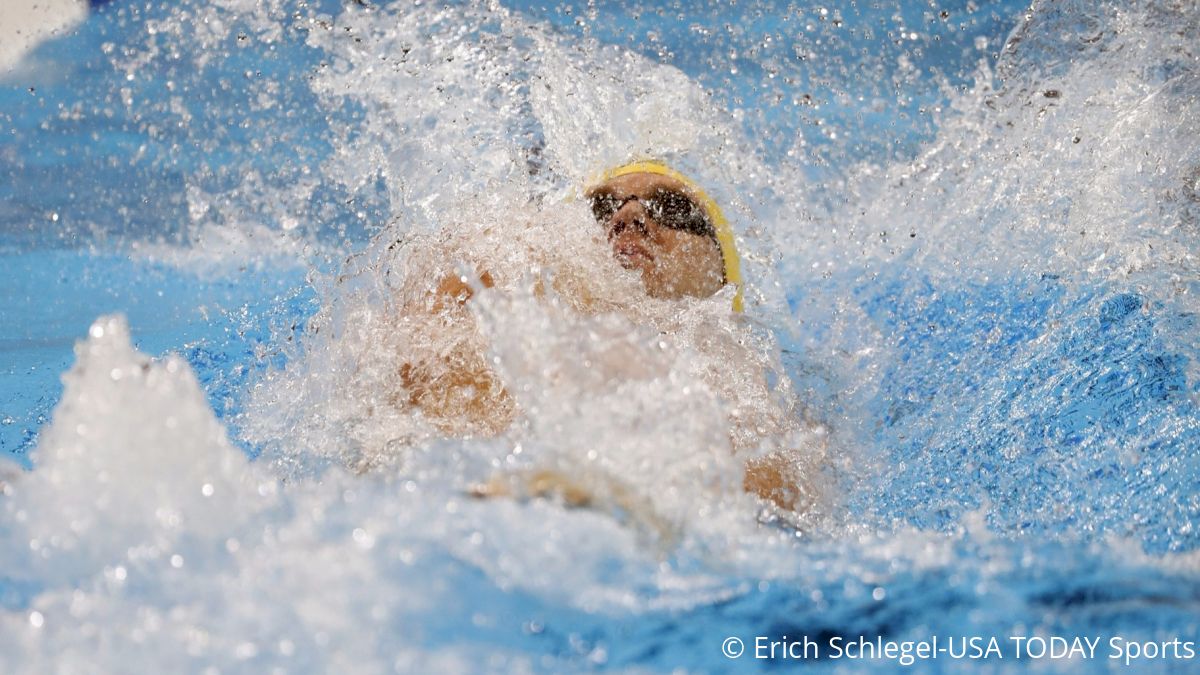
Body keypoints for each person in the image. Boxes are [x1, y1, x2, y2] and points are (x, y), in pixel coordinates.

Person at [396, 160, 819, 520]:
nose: (628, 216)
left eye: (671, 206)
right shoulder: (524, 351)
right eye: (601, 208)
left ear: (722, 276)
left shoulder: (742, 382)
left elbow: (779, 496)